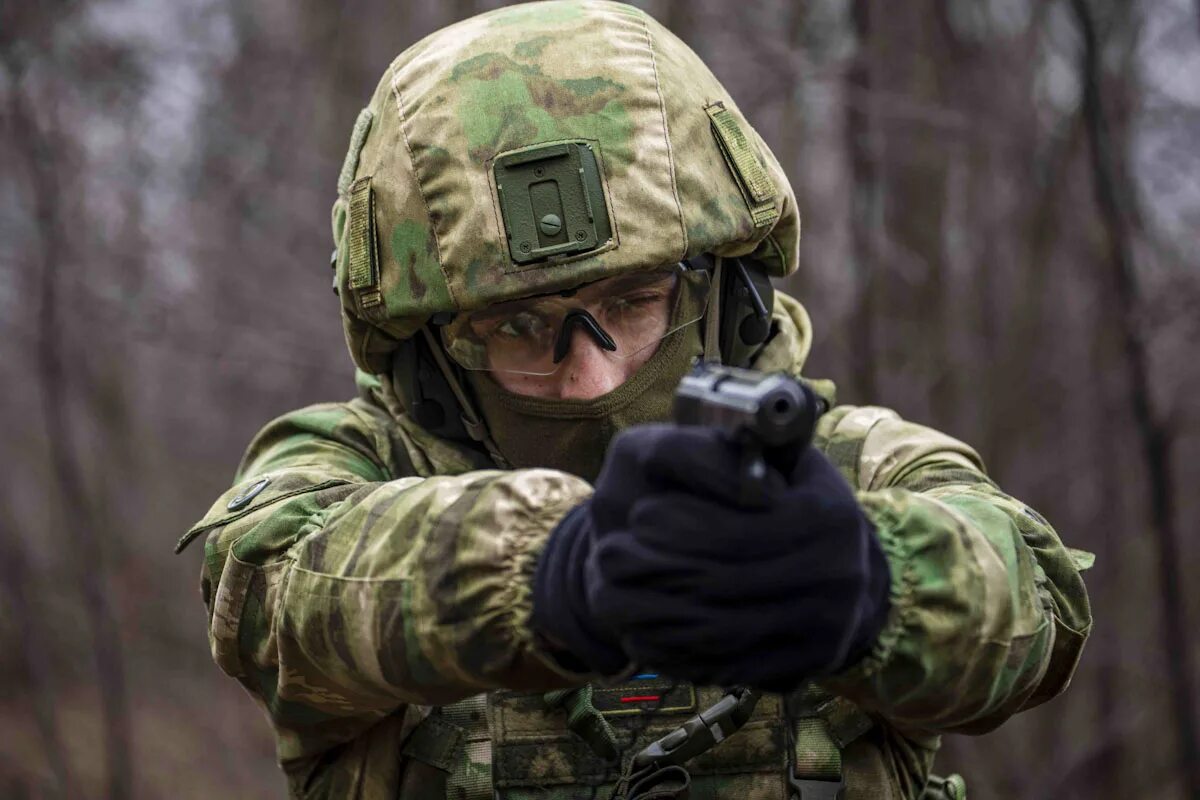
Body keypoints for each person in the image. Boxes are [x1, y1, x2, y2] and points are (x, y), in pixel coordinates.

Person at [178, 2, 1093, 798]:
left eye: (632, 303)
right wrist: (551, 571)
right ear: (436, 350)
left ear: (716, 294)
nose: (594, 379)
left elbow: (1032, 602)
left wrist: (872, 585)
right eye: (521, 329)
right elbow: (268, 580)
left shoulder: (847, 468)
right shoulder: (358, 468)